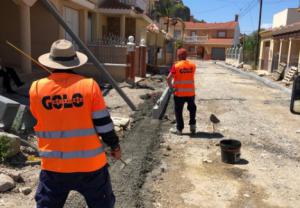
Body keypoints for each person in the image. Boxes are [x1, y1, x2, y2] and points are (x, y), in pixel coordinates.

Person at [29, 39, 121, 208]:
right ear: (74, 62)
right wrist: (114, 146)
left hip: (54, 166)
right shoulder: (89, 86)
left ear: (51, 62)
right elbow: (104, 124)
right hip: (91, 166)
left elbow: (38, 117)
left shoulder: (36, 88)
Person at [167, 48, 197, 135]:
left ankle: (179, 129)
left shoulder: (176, 66)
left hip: (179, 93)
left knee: (178, 111)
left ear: (178, 56)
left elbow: (168, 79)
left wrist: (172, 88)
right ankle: (193, 126)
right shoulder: (192, 65)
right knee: (192, 109)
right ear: (186, 56)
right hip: (191, 93)